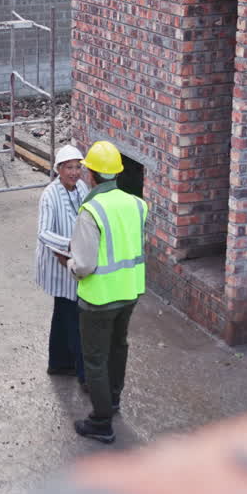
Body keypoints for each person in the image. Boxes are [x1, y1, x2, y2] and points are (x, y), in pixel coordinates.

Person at [67, 141, 147, 443]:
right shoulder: (138, 204)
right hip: (129, 291)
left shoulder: (90, 210)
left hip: (98, 298)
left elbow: (85, 265)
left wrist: (71, 263)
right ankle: (113, 401)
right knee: (118, 347)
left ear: (92, 174)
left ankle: (101, 422)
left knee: (95, 359)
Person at [35, 144, 90, 382]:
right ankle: (82, 372)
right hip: (60, 262)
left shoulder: (82, 187)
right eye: (69, 167)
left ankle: (58, 363)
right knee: (72, 316)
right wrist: (71, 245)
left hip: (76, 260)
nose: (74, 172)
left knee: (63, 312)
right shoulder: (50, 194)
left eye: (78, 167)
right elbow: (43, 232)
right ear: (58, 169)